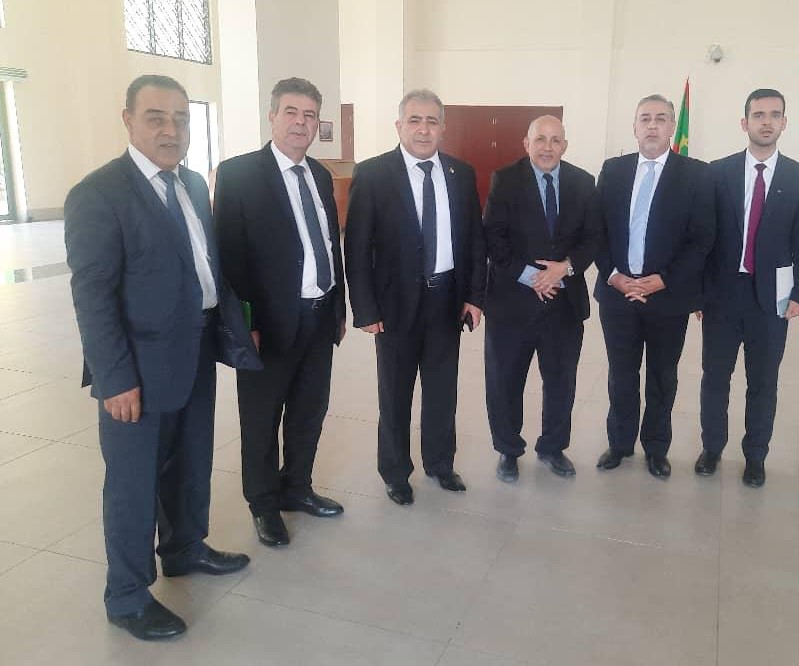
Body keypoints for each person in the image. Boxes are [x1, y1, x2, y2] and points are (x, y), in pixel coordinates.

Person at [64, 74, 257, 641]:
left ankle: (184, 547)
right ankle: (126, 595)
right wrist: (114, 378)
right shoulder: (99, 194)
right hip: (137, 369)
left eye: (181, 118)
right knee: (133, 482)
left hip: (195, 350)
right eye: (156, 117)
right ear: (128, 120)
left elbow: (205, 265)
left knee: (192, 460)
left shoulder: (192, 184)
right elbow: (93, 296)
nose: (171, 130)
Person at [215, 78, 347, 547]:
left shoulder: (321, 176)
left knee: (309, 410)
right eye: (291, 112)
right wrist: (245, 324)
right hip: (267, 326)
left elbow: (329, 245)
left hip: (319, 316)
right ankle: (264, 504)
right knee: (261, 419)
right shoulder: (238, 175)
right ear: (272, 116)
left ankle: (297, 488)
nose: (300, 122)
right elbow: (229, 257)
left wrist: (339, 305)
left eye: (309, 115)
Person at [344, 89, 486, 505]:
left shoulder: (461, 173)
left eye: (431, 121)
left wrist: (475, 296)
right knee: (395, 393)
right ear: (399, 126)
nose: (423, 129)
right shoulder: (373, 174)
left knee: (443, 391)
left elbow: (474, 240)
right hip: (393, 308)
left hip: (447, 301)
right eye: (414, 120)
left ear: (442, 127)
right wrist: (365, 308)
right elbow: (356, 247)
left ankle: (440, 464)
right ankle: (395, 472)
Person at [697, 89, 799, 487]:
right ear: (744, 122)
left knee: (763, 382)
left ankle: (755, 456)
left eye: (774, 115)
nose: (767, 121)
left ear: (784, 123)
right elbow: (705, 237)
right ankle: (712, 448)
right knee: (715, 377)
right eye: (759, 114)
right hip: (721, 294)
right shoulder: (718, 172)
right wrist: (699, 291)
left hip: (772, 298)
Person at [592, 94, 714, 479]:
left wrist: (664, 279)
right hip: (618, 293)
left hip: (668, 297)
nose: (652, 125)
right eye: (645, 118)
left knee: (662, 376)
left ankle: (657, 447)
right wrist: (613, 274)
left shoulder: (695, 174)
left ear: (672, 127)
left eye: (661, 119)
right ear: (634, 126)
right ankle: (619, 443)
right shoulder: (613, 170)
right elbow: (596, 231)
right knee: (621, 374)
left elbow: (701, 240)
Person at [483, 115, 599, 482]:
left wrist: (565, 268)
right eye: (540, 140)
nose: (547, 147)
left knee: (561, 382)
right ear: (526, 143)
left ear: (564, 145)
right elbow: (493, 238)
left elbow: (593, 237)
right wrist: (534, 277)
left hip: (564, 305)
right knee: (505, 381)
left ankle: (552, 447)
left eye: (555, 140)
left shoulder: (583, 182)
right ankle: (508, 449)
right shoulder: (505, 179)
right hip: (512, 304)